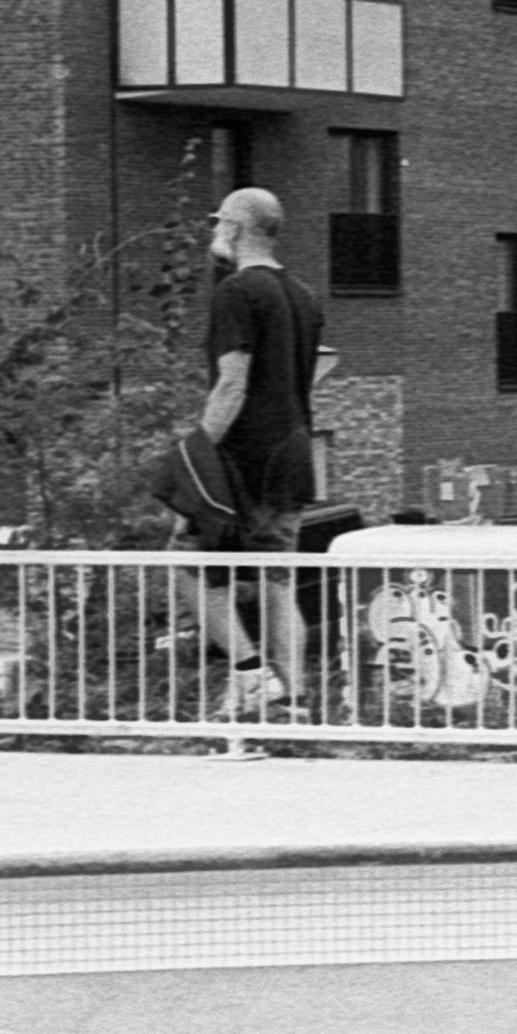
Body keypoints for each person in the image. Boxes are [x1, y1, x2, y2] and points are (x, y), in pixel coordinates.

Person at [198, 185, 327, 715]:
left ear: (234, 227)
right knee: (278, 581)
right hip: (294, 453)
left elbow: (232, 384)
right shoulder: (303, 296)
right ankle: (294, 701)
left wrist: (195, 456)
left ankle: (252, 677)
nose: (211, 233)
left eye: (216, 223)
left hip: (244, 458)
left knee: (189, 570)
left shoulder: (236, 293)